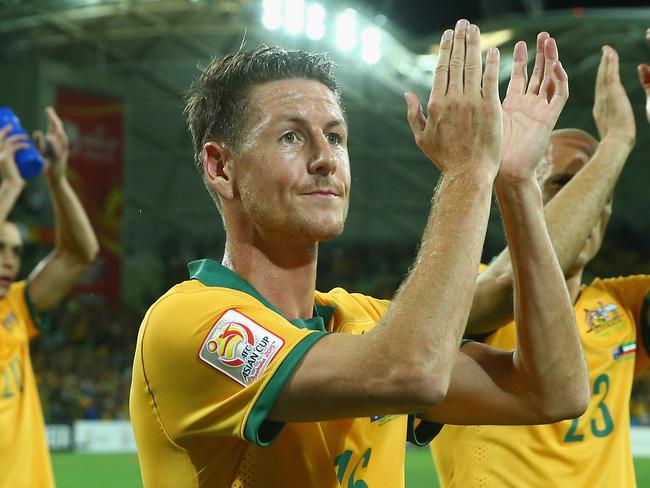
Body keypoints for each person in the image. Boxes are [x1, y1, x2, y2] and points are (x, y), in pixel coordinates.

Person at [130, 20, 589, 487]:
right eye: (290, 136)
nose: (325, 158)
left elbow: (553, 392)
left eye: (335, 136)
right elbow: (412, 373)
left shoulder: (363, 320)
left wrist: (515, 184)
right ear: (220, 166)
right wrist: (469, 170)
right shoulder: (188, 324)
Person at [431, 44, 648, 488]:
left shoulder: (624, 307)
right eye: (564, 185)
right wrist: (616, 143)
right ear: (517, 192)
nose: (591, 207)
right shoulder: (459, 293)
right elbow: (519, 279)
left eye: (599, 194)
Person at [0, 107, 99, 487]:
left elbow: (78, 255)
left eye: (14, 251)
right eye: (0, 247)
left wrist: (57, 181)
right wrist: (10, 187)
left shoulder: (15, 306)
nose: (9, 259)